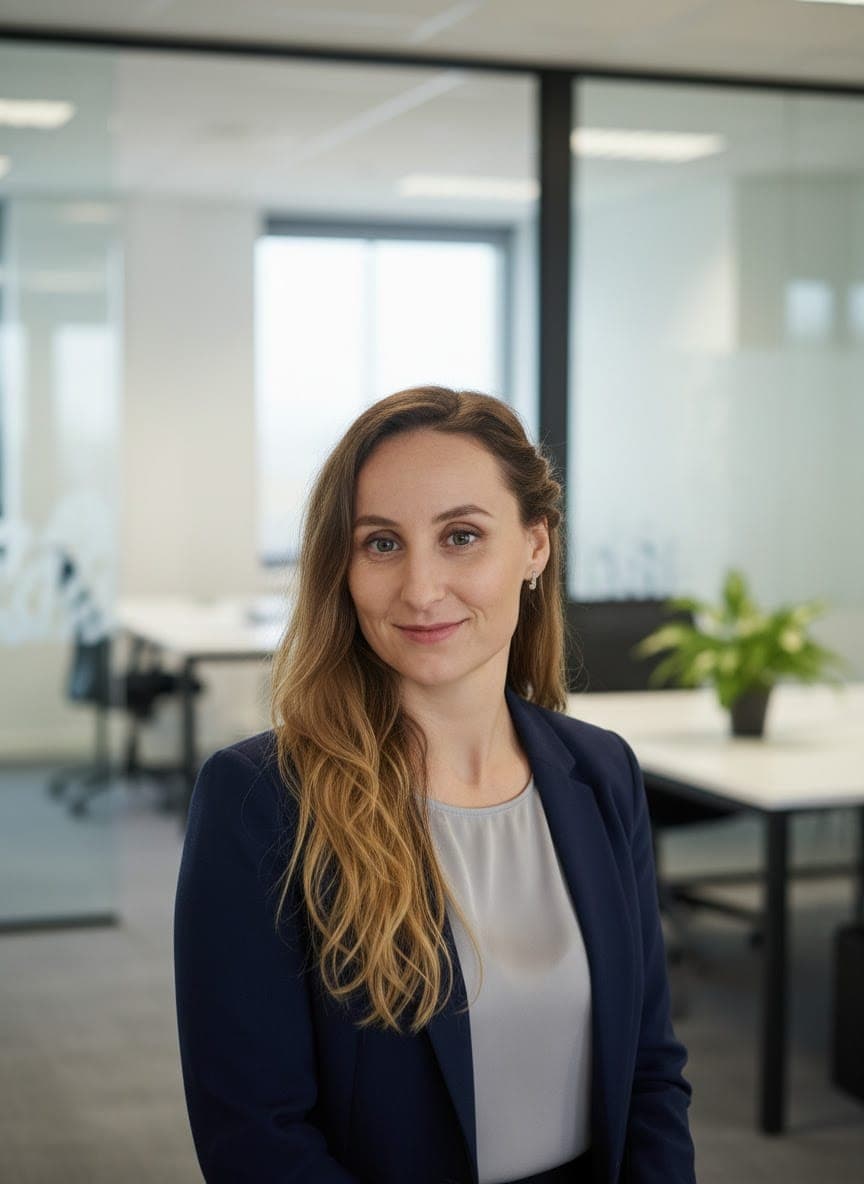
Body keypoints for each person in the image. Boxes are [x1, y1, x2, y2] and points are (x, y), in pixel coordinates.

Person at [174, 386, 697, 1184]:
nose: (420, 588)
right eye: (381, 544)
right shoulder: (261, 800)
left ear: (534, 548)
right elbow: (256, 1134)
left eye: (461, 536)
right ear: (341, 569)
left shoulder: (601, 772)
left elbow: (651, 1072)